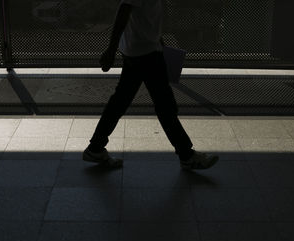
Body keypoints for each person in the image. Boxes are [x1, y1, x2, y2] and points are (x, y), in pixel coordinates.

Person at [83, 0, 219, 170]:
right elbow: (124, 10)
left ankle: (95, 147)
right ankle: (186, 155)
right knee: (165, 104)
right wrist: (111, 50)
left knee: (121, 101)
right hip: (144, 53)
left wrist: (157, 41)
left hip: (140, 50)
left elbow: (140, 16)